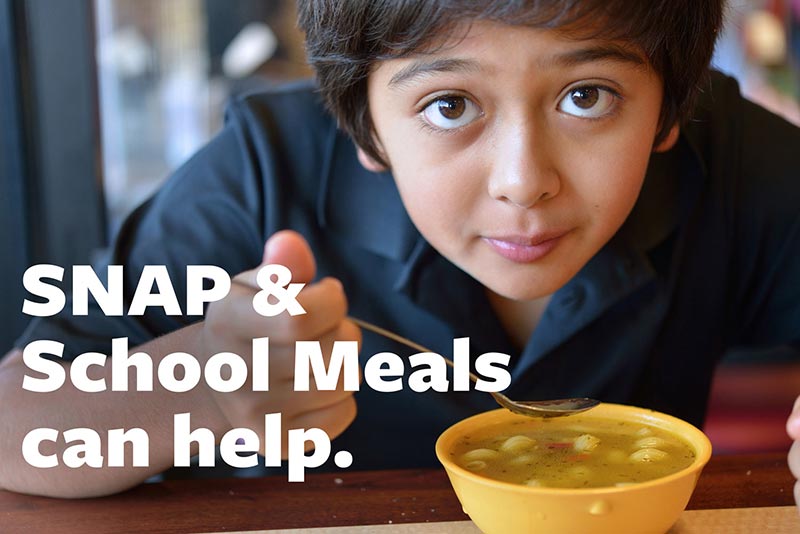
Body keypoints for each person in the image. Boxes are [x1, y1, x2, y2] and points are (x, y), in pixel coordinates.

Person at [0, 0, 798, 504]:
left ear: (667, 110)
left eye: (586, 96)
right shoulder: (264, 173)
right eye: (449, 105)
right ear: (368, 128)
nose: (524, 182)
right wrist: (200, 390)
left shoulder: (727, 161)